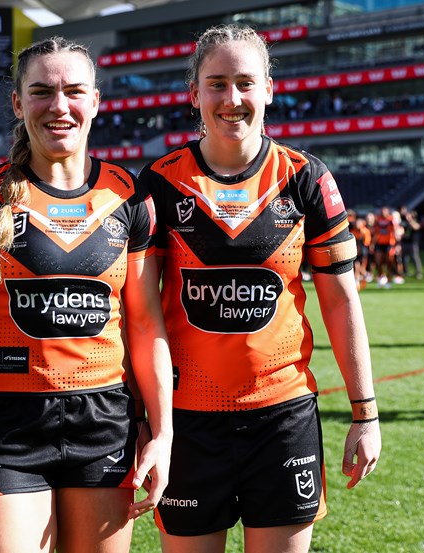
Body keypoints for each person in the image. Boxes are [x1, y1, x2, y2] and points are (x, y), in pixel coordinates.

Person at [0, 37, 173, 552]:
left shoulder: (130, 197)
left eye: (74, 91)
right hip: (11, 427)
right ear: (18, 103)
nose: (59, 106)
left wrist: (162, 434)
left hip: (105, 423)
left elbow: (146, 326)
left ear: (96, 100)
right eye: (41, 92)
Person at [138, 24, 381, 553]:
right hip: (189, 421)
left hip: (283, 417)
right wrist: (146, 420)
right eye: (217, 83)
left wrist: (366, 413)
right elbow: (141, 316)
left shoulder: (306, 178)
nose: (232, 99)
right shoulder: (158, 182)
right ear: (194, 94)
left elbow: (340, 303)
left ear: (269, 88)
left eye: (246, 83)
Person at [398, 205, 422, 279]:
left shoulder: (415, 221)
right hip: (404, 242)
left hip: (413, 243)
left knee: (414, 257)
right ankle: (405, 271)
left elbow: (416, 227)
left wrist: (410, 221)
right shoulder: (403, 222)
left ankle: (418, 272)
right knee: (403, 257)